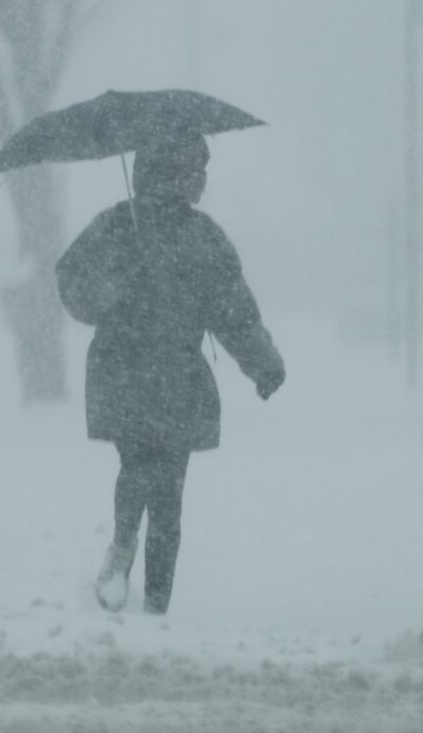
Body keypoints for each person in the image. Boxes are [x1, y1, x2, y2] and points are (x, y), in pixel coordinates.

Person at [55, 133, 284, 615]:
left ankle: (146, 587)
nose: (201, 180)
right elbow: (71, 278)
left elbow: (233, 314)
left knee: (157, 486)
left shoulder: (135, 227)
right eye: (193, 170)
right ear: (166, 173)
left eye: (203, 170)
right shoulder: (176, 233)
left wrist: (262, 362)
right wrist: (107, 293)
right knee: (154, 479)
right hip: (151, 375)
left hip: (148, 377)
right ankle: (137, 573)